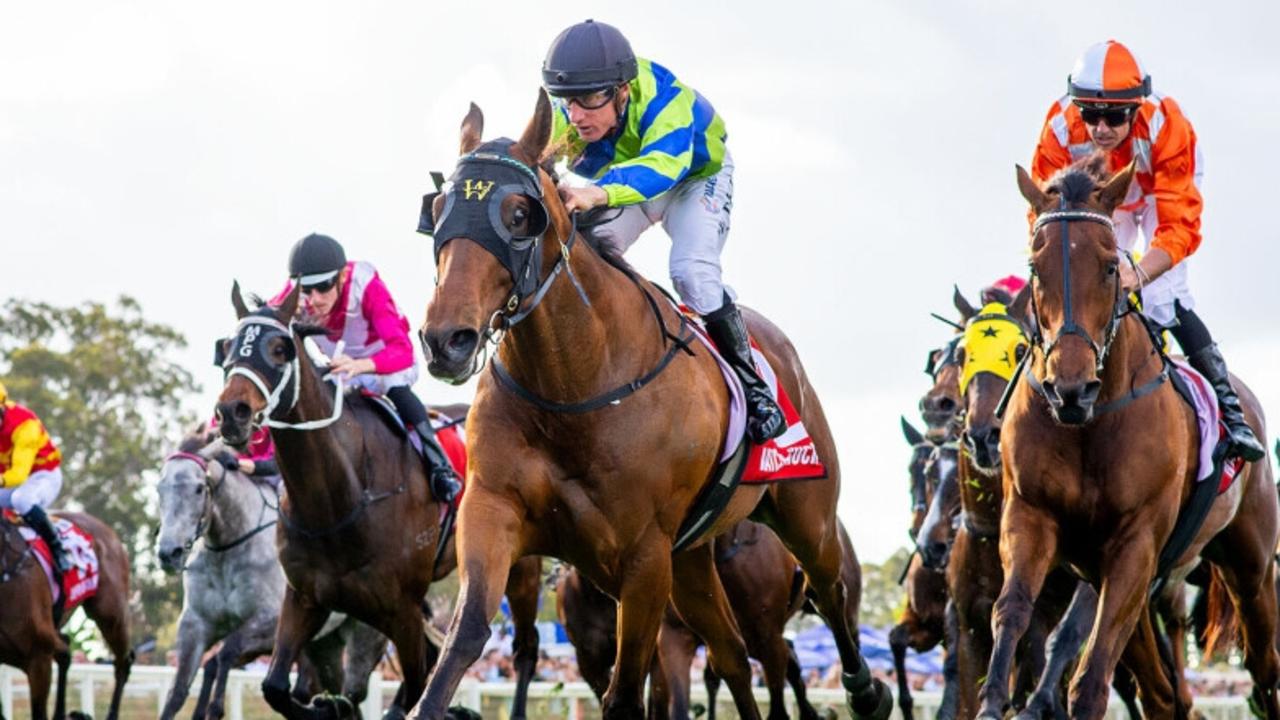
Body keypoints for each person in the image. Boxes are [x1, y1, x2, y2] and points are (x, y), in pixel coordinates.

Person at [541, 19, 785, 444]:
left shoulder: (665, 99)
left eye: (588, 101)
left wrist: (595, 194)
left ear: (622, 91)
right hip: (630, 179)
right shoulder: (570, 115)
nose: (575, 116)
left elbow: (663, 168)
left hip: (693, 177)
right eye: (566, 101)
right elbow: (536, 159)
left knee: (691, 272)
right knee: (584, 257)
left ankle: (756, 390)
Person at [1030, 40, 1264, 462]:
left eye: (1115, 116)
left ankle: (1230, 410)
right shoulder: (1059, 128)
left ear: (1136, 106)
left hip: (1160, 194)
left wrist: (1137, 275)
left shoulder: (1166, 125)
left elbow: (1179, 225)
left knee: (1161, 299)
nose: (1101, 127)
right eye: (1091, 114)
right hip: (1101, 201)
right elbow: (1043, 215)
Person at [274, 233, 462, 501]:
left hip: (385, 362)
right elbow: (265, 322)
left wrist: (361, 365)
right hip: (340, 368)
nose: (313, 299)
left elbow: (403, 353)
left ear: (341, 276)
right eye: (306, 289)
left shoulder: (367, 286)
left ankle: (439, 466)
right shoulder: (296, 297)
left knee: (397, 389)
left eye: (324, 286)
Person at [0, 380, 71, 575]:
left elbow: (18, 475)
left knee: (21, 499)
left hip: (43, 476)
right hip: (10, 479)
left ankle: (58, 549)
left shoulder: (24, 426)